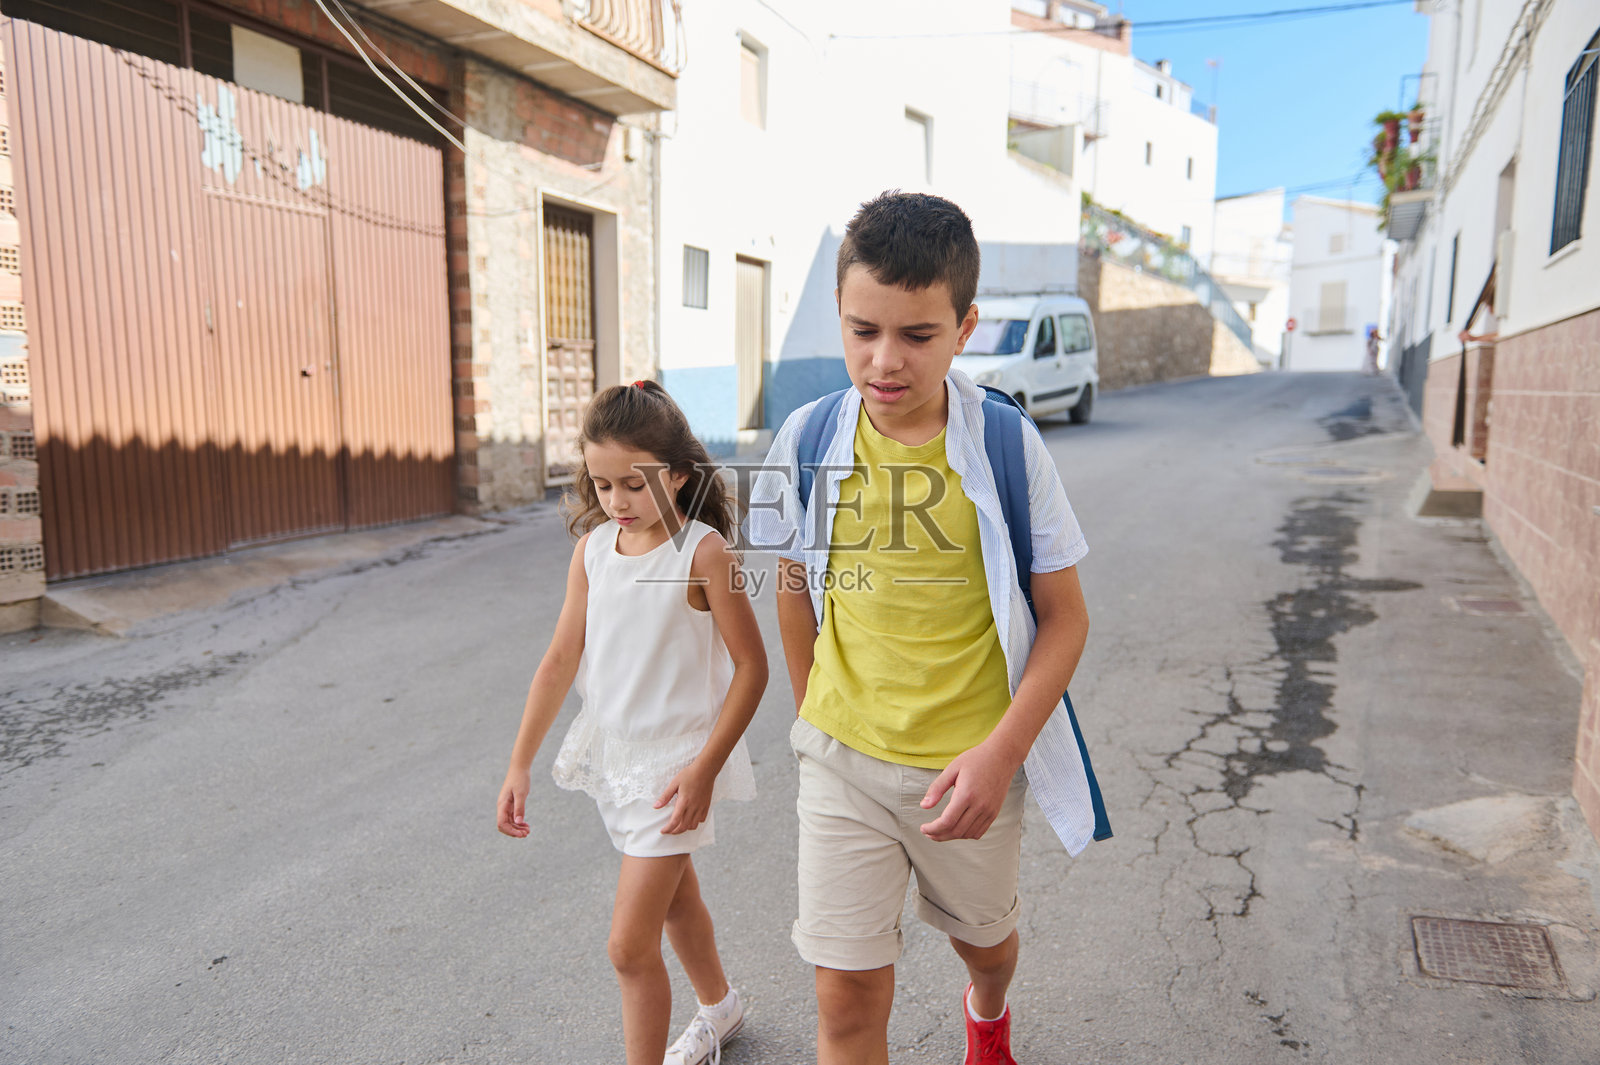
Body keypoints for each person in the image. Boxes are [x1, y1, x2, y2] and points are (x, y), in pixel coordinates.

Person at [745, 191, 1098, 1065]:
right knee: (846, 998)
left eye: (917, 335)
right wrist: (812, 713)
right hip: (842, 763)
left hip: (969, 767)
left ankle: (987, 1007)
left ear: (965, 326)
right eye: (863, 330)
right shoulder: (806, 437)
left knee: (985, 944)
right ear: (839, 314)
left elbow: (1065, 620)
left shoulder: (1008, 446)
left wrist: (1002, 753)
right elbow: (791, 587)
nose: (884, 360)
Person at [497, 380, 767, 1065]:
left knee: (627, 947)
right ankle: (722, 1008)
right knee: (677, 902)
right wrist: (519, 762)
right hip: (616, 761)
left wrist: (704, 768)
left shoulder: (704, 554)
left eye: (634, 484)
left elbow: (753, 668)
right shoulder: (592, 552)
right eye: (602, 484)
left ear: (676, 475)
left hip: (675, 769)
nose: (616, 501)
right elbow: (561, 658)